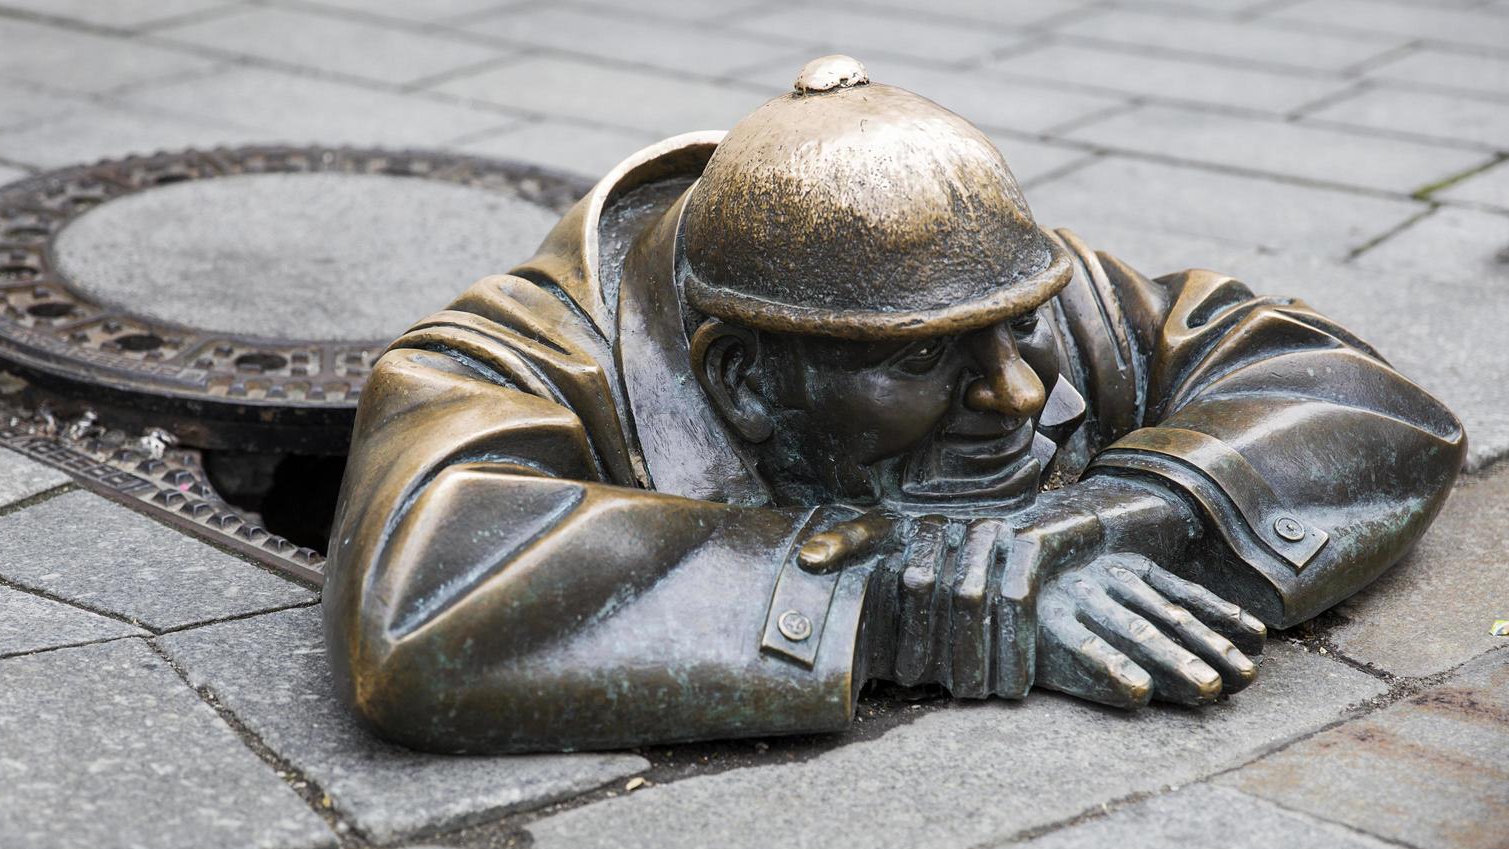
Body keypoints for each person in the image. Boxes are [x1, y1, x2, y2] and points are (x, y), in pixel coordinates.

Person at [323, 56, 1464, 753]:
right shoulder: (502, 361)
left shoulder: (996, 293)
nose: (1017, 387)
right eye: (922, 360)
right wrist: (906, 602)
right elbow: (420, 600)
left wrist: (1111, 516)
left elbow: (1369, 402)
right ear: (739, 380)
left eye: (1018, 331)